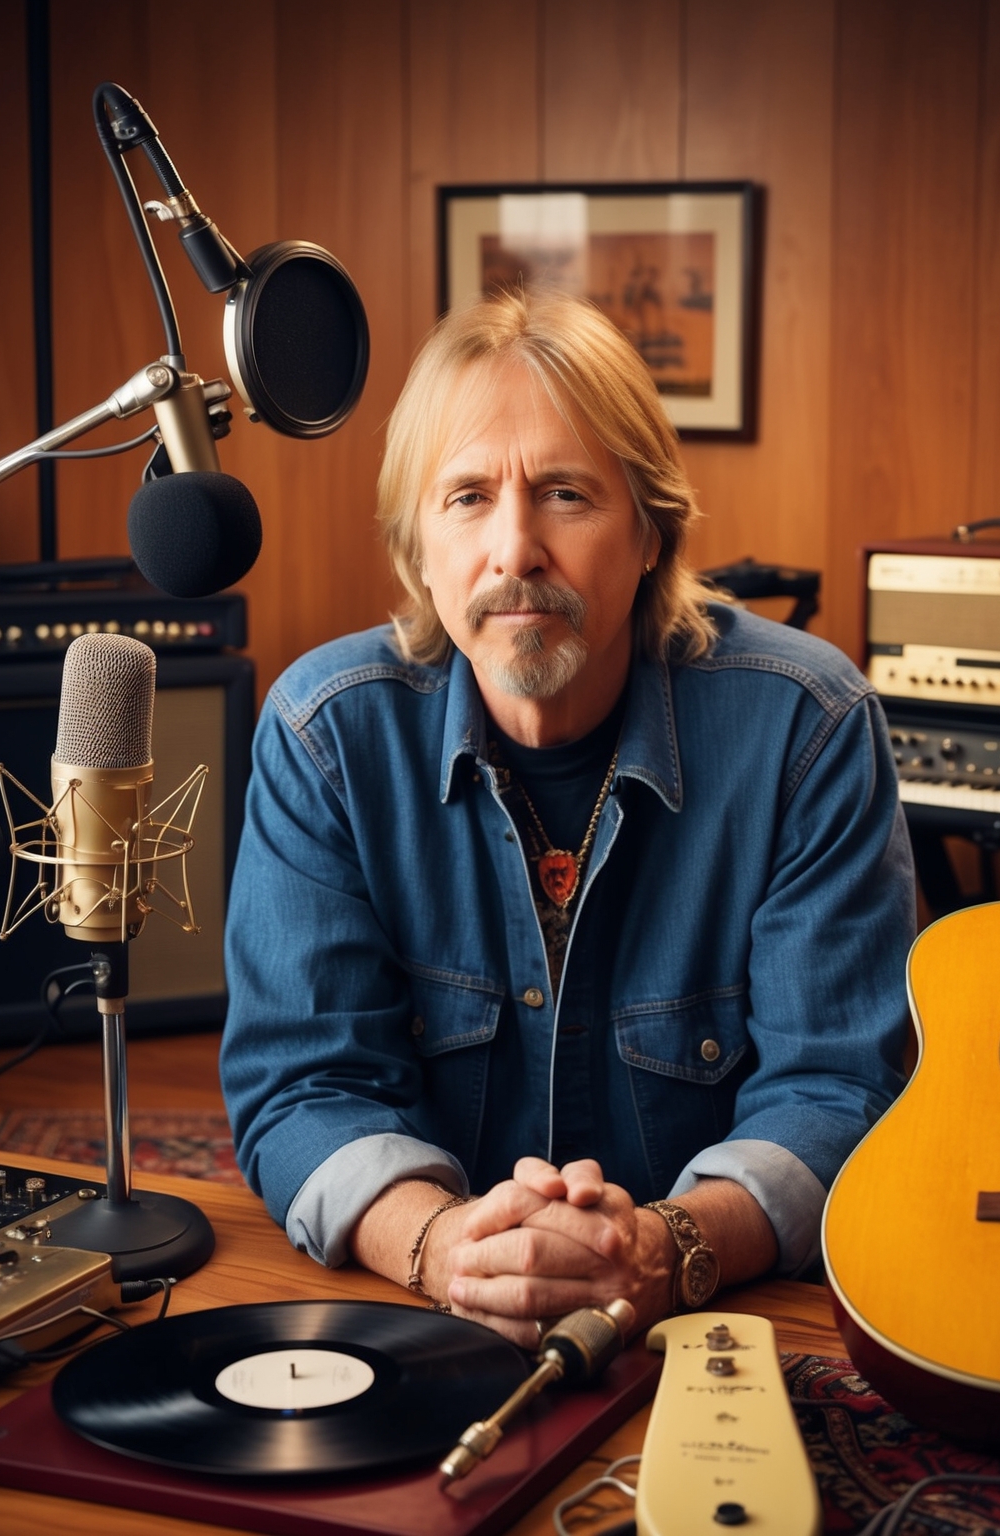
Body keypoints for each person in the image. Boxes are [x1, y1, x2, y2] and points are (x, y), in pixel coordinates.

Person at [220, 287, 914, 1348]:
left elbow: (837, 1085)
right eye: (466, 498)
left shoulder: (808, 728)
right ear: (417, 549)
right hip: (422, 1319)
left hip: (714, 1325)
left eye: (563, 494)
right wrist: (447, 1245)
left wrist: (669, 1247)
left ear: (649, 529)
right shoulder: (323, 734)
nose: (515, 551)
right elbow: (303, 1080)